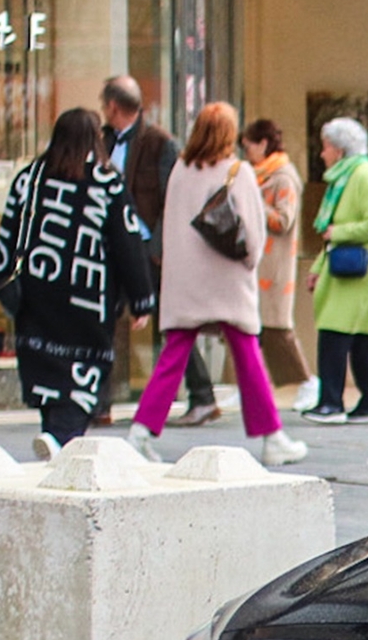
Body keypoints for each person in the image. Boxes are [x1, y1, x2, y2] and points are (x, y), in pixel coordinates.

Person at [124, 103, 306, 467]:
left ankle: (140, 432)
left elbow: (171, 223)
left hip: (184, 280)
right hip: (227, 278)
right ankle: (272, 437)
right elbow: (253, 236)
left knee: (174, 354)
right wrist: (249, 265)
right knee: (247, 355)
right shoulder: (238, 172)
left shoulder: (180, 170)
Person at [0, 108, 153, 458]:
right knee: (84, 374)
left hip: (37, 293)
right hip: (86, 297)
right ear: (94, 139)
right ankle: (60, 438)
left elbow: (7, 233)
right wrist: (141, 298)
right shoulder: (106, 182)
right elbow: (128, 242)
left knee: (46, 371)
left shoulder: (29, 177)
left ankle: (52, 434)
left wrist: (2, 280)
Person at [102, 75, 219, 427]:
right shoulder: (103, 140)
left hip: (148, 250)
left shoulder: (159, 143)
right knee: (105, 318)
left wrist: (158, 248)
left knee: (171, 323)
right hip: (114, 246)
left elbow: (175, 199)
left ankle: (202, 395)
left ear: (112, 106)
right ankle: (99, 404)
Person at [306, 116, 368, 425]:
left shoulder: (364, 176)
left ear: (341, 150)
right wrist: (319, 266)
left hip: (363, 269)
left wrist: (339, 232)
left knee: (334, 331)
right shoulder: (347, 177)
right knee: (359, 337)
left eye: (327, 147)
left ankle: (331, 402)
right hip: (350, 266)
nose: (323, 154)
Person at [239, 118, 312, 403]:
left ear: (263, 144)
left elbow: (284, 219)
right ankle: (250, 386)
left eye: (249, 147)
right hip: (257, 262)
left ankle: (305, 381)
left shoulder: (282, 177)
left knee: (277, 328)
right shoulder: (255, 175)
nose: (246, 153)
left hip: (275, 264)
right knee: (255, 328)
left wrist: (255, 202)